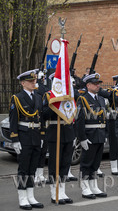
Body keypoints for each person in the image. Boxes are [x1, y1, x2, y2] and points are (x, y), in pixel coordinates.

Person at [10, 70, 45, 210]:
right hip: (24, 136)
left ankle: (31, 196)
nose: (33, 83)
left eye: (34, 81)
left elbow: (40, 118)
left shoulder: (37, 97)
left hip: (35, 135)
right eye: (30, 81)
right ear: (23, 83)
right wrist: (15, 139)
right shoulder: (17, 98)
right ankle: (22, 197)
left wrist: (41, 135)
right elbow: (13, 120)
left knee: (33, 168)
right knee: (23, 168)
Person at [42, 72, 74, 204]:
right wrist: (56, 102)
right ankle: (54, 192)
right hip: (55, 131)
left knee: (66, 163)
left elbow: (73, 109)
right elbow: (44, 114)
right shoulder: (48, 95)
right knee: (55, 163)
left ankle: (62, 191)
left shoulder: (70, 94)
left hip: (68, 131)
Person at [76, 73, 107, 199]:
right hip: (89, 135)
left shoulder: (100, 99)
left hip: (99, 134)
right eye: (95, 84)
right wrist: (82, 138)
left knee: (96, 163)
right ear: (88, 85)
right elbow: (79, 120)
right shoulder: (82, 99)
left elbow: (104, 118)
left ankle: (93, 186)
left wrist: (105, 134)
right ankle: (85, 187)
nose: (97, 86)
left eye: (98, 83)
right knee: (86, 163)